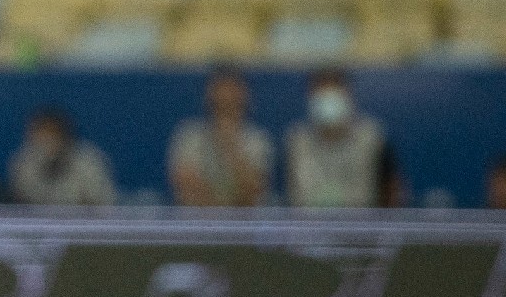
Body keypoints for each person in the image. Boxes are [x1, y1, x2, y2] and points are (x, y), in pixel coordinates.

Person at [285, 69, 401, 208]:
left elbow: (392, 189)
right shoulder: (297, 141)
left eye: (334, 93)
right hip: (308, 226)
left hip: (361, 225)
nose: (328, 100)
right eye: (321, 95)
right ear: (310, 97)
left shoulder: (371, 137)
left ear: (349, 95)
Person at [168, 68, 273, 207]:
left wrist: (230, 147)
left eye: (232, 99)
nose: (226, 99)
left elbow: (253, 193)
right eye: (221, 100)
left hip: (244, 225)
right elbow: (187, 190)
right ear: (210, 97)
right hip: (197, 224)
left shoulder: (258, 140)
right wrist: (218, 215)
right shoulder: (189, 136)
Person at [10, 108, 117, 207]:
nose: (46, 141)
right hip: (40, 226)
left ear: (64, 135)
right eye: (40, 134)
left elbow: (103, 207)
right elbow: (21, 204)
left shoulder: (89, 163)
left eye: (51, 133)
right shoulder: (23, 162)